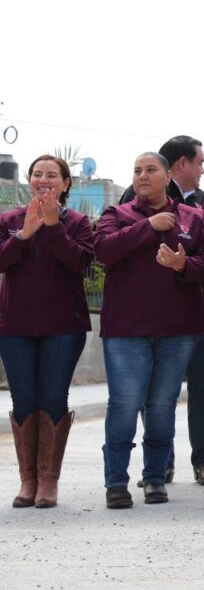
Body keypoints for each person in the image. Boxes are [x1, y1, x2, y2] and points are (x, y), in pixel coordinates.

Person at [95, 152, 204, 509]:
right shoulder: (116, 215)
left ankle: (154, 478)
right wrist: (148, 227)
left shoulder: (193, 218)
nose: (142, 176)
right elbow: (103, 251)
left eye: (150, 170)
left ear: (167, 177)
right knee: (124, 405)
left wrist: (183, 265)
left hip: (177, 329)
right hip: (126, 330)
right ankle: (116, 482)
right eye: (136, 170)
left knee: (162, 406)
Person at [120, 135, 204, 486]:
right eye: (199, 162)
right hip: (151, 317)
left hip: (195, 311)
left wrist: (186, 262)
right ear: (181, 164)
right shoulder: (133, 200)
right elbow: (118, 248)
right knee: (156, 395)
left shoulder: (202, 203)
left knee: (203, 386)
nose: (203, 169)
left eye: (149, 170)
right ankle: (161, 463)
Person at [0, 155, 94, 508]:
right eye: (37, 174)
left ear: (66, 183)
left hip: (63, 327)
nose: (44, 180)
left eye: (52, 175)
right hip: (14, 326)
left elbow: (79, 263)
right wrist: (25, 234)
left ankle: (48, 481)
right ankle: (28, 480)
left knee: (53, 400)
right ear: (29, 180)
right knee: (24, 401)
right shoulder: (9, 220)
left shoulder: (79, 222)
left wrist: (53, 227)